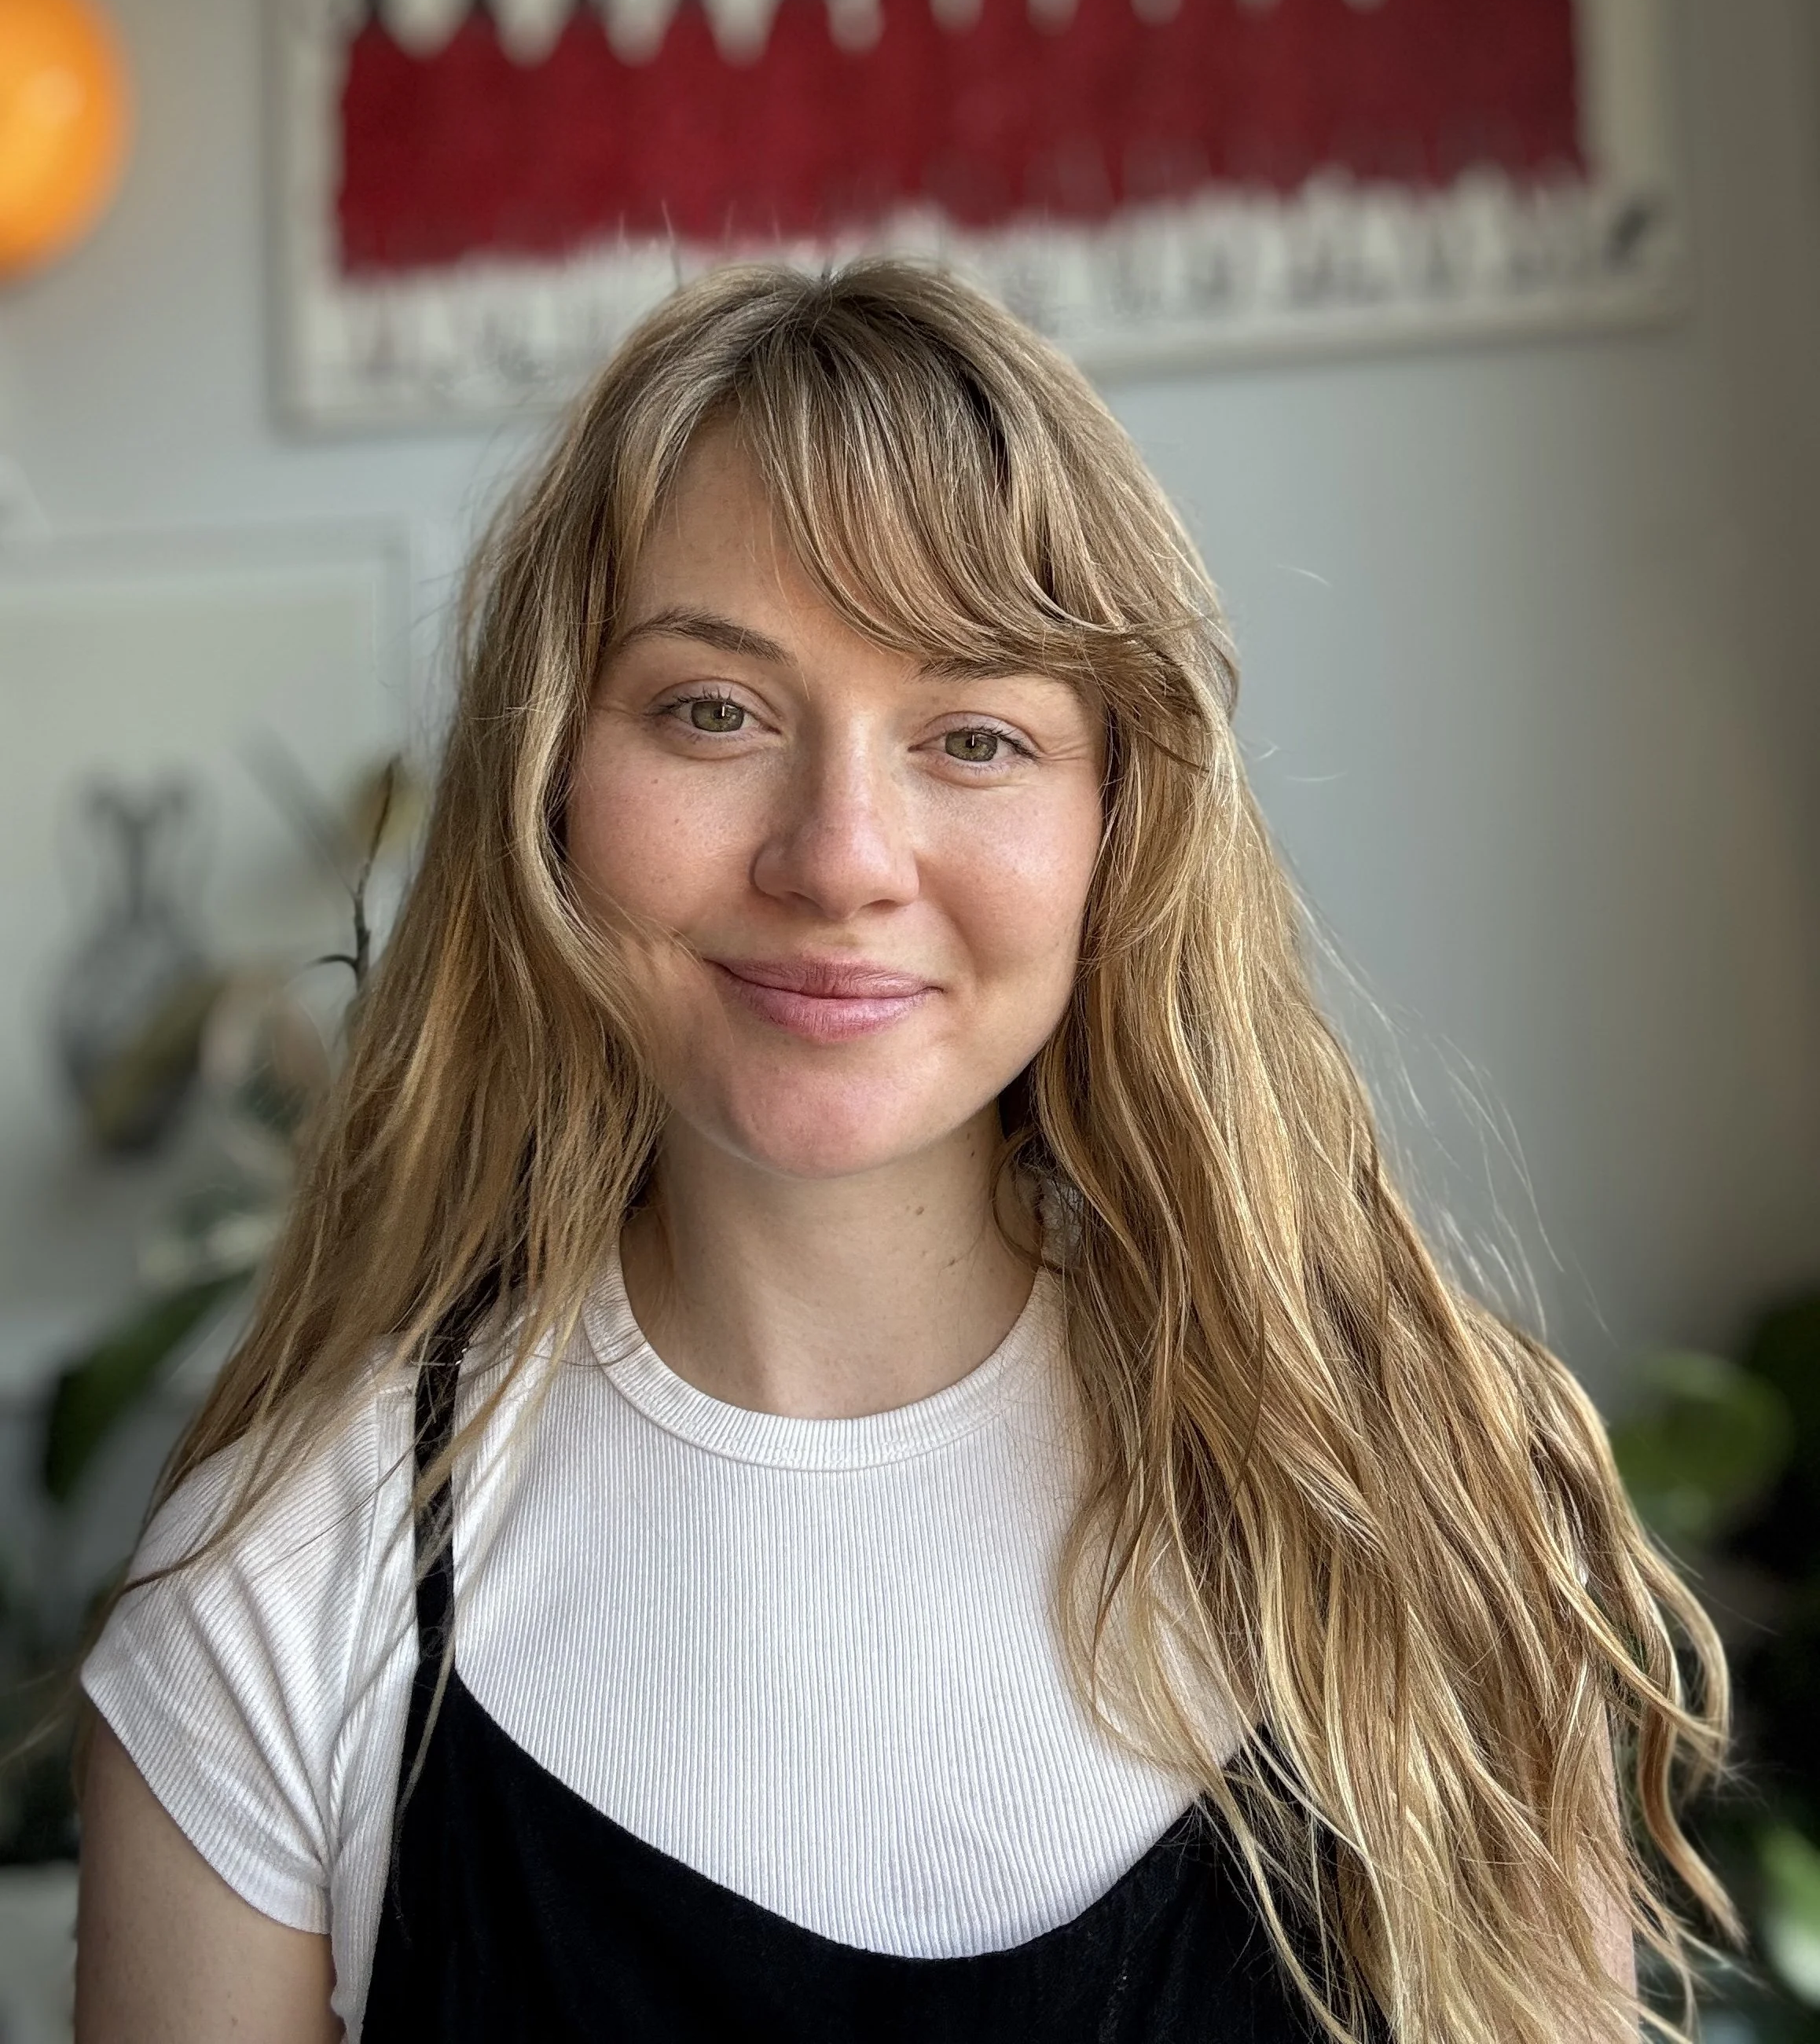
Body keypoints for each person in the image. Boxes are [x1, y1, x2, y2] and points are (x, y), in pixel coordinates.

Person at [75, 259, 1727, 2043]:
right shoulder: (283, 1588)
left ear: (1122, 822)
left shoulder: (1410, 1495)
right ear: (548, 780)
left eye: (975, 734)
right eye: (713, 708)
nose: (841, 854)